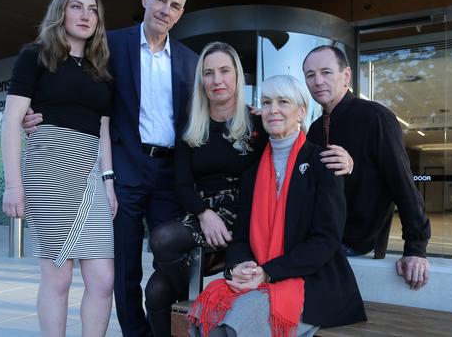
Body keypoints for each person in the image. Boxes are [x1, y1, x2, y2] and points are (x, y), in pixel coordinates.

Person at [21, 0, 198, 335]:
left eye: (175, 5)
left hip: (168, 175)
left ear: (181, 13)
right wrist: (34, 111)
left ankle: (165, 328)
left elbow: (207, 109)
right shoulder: (109, 45)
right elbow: (65, 76)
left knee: (172, 260)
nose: (166, 10)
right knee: (123, 270)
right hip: (124, 169)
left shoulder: (189, 61)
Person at [189, 75, 366, 337]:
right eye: (267, 102)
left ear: (301, 111)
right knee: (208, 314)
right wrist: (239, 267)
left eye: (283, 102)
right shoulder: (252, 172)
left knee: (234, 322)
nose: (273, 110)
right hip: (260, 276)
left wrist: (269, 273)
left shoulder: (322, 162)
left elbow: (326, 241)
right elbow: (240, 238)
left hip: (310, 281)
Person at [1, 0, 116, 337]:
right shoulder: (35, 56)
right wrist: (12, 184)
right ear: (60, 12)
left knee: (103, 278)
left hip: (90, 176)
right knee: (59, 275)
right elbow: (10, 121)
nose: (85, 15)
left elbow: (103, 129)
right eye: (76, 7)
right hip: (48, 169)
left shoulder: (102, 68)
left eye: (92, 9)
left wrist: (109, 181)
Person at [144, 42, 268, 336]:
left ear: (237, 76)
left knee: (162, 240)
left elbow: (291, 150)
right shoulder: (191, 124)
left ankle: (199, 289)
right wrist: (203, 213)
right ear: (202, 80)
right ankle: (191, 290)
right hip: (202, 214)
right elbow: (182, 184)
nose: (217, 80)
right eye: (209, 73)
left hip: (243, 216)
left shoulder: (257, 124)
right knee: (156, 290)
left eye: (225, 71)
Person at [302, 45, 432, 290]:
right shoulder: (316, 128)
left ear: (346, 75)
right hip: (320, 236)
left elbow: (402, 184)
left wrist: (416, 248)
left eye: (326, 72)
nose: (317, 81)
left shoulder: (376, 118)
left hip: (352, 242)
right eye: (310, 75)